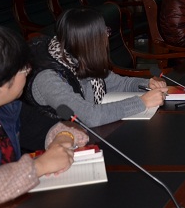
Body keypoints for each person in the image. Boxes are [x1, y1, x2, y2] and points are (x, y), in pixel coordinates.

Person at [19, 8, 167, 152]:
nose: (107, 37)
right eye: (104, 32)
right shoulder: (48, 78)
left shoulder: (78, 57)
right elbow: (88, 116)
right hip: (52, 152)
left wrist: (146, 84)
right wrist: (141, 102)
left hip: (88, 138)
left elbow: (118, 83)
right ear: (89, 41)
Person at [0, 24, 89, 207]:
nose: (28, 72)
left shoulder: (7, 110)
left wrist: (62, 139)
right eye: (23, 68)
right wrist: (39, 166)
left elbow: (54, 128)